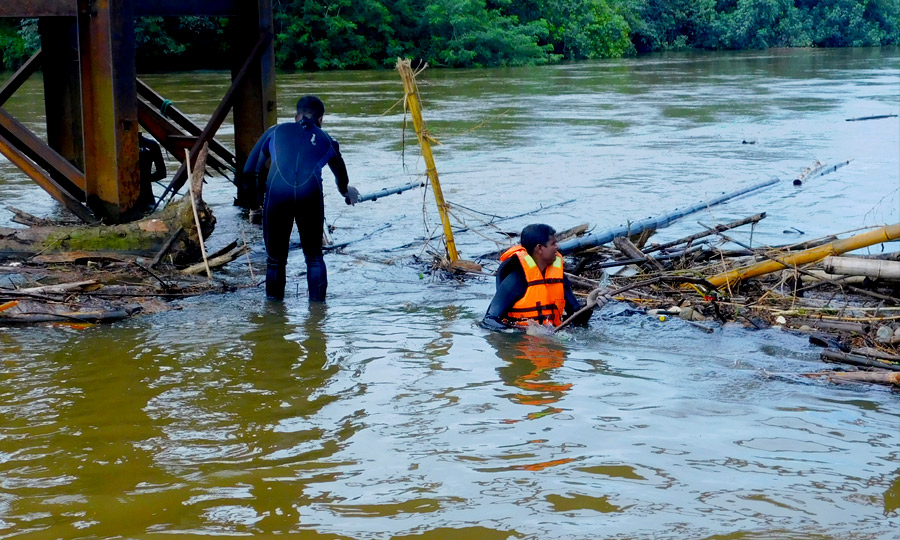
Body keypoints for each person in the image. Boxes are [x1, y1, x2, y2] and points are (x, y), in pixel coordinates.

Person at [243, 96, 359, 301]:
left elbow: (250, 171)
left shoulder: (275, 132)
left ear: (296, 116)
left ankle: (274, 316)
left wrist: (255, 206)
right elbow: (341, 176)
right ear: (321, 119)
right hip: (310, 196)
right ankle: (317, 317)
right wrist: (345, 193)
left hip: (277, 196)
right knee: (314, 258)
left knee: (275, 261)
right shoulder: (327, 140)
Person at [481, 223, 608, 331]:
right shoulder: (516, 280)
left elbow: (577, 321)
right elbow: (489, 320)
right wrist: (521, 334)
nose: (557, 247)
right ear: (540, 248)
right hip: (524, 350)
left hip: (550, 344)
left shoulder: (559, 278)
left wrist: (589, 306)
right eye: (553, 244)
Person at [137, 132, 166, 209]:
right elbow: (162, 173)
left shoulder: (116, 147)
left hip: (124, 197)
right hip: (147, 197)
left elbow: (162, 173)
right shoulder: (151, 144)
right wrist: (145, 179)